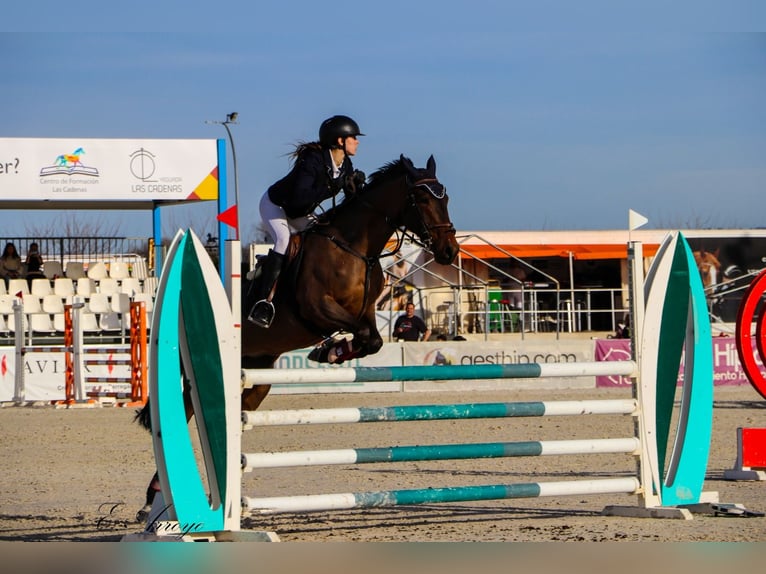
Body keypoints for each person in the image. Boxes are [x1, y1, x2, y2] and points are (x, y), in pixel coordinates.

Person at [248, 115, 366, 328]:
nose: (357, 141)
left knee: (324, 239)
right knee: (284, 239)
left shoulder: (345, 164)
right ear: (340, 141)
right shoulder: (312, 159)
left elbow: (345, 200)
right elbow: (299, 197)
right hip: (277, 206)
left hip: (301, 212)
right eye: (353, 138)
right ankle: (263, 302)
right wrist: (336, 183)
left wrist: (355, 190)